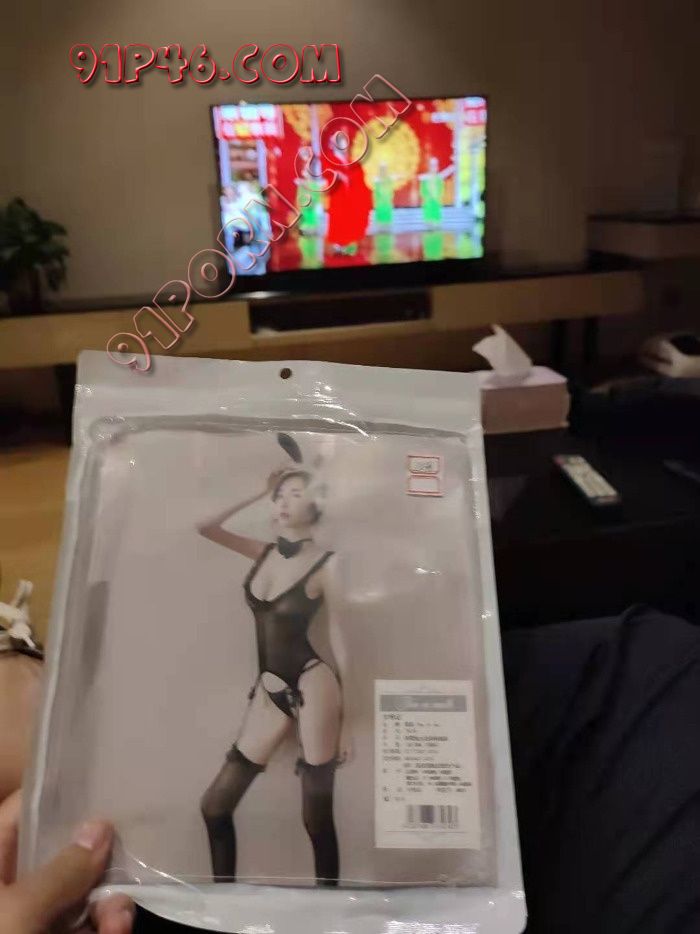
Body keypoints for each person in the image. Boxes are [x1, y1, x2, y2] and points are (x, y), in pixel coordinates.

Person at [197, 465, 349, 887]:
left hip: (313, 682)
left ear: (317, 503)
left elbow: (342, 641)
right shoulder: (263, 552)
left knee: (315, 817)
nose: (283, 502)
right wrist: (258, 488)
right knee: (215, 806)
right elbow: (205, 526)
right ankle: (223, 905)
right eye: (279, 496)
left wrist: (349, 719)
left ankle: (331, 906)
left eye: (295, 494)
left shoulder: (327, 564)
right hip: (267, 688)